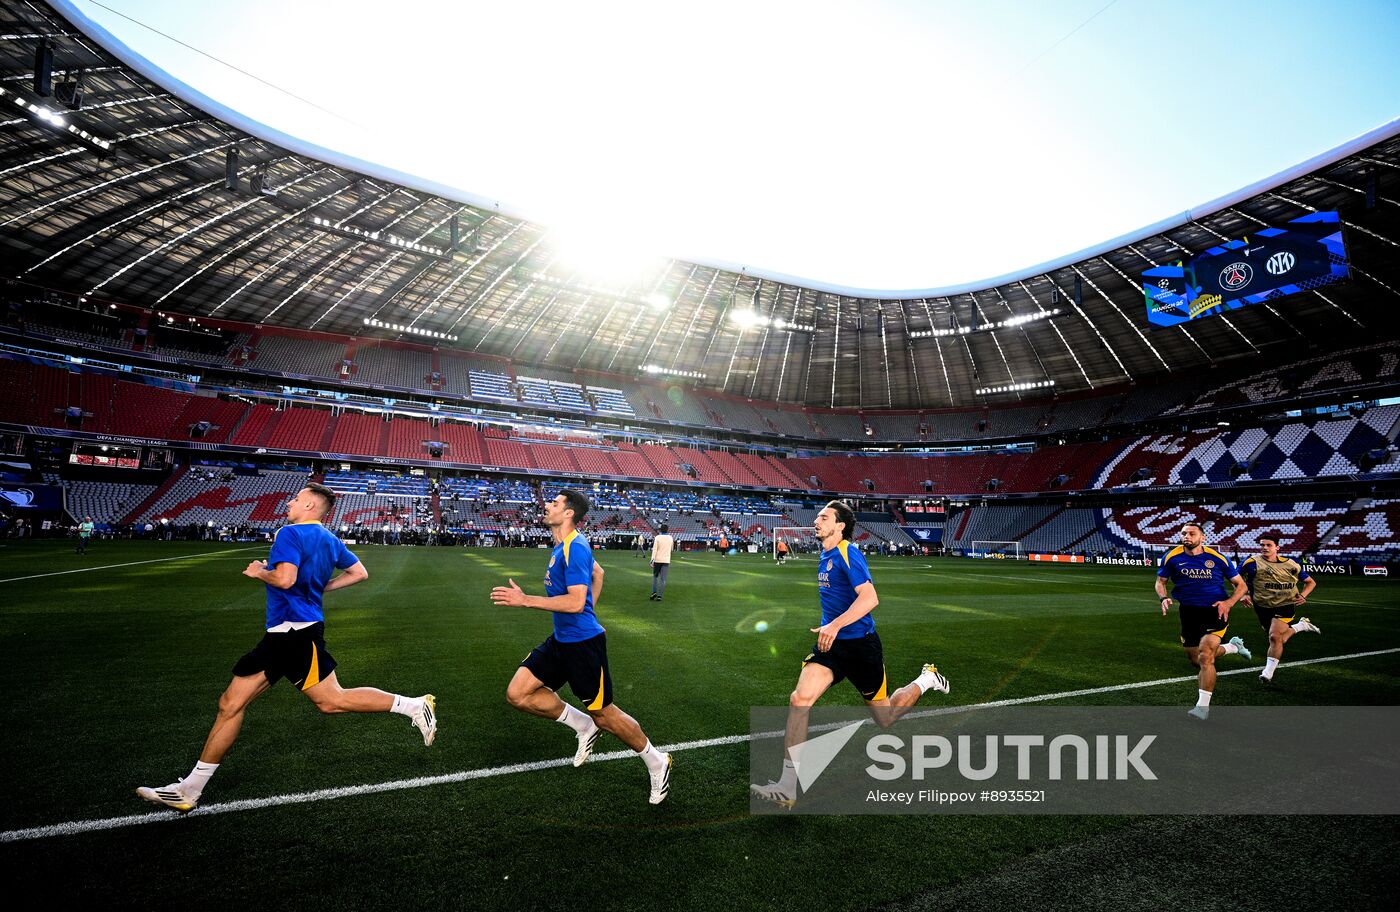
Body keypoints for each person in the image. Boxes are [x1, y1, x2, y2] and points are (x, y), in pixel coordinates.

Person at [136, 483, 437, 813]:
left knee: (332, 701)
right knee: (230, 703)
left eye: (295, 499)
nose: (289, 503)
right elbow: (359, 572)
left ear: (309, 505)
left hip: (294, 634)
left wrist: (260, 572)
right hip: (285, 634)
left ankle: (412, 705)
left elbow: (285, 580)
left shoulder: (289, 534)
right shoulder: (329, 539)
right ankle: (190, 790)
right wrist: (321, 589)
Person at [751, 500, 951, 808]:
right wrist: (831, 629)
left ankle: (926, 679)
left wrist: (835, 624)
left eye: (824, 517)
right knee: (799, 699)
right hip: (831, 647)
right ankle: (788, 786)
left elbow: (870, 598)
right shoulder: (826, 554)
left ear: (840, 525)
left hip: (862, 648)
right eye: (817, 516)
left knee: (885, 717)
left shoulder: (848, 552)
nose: (816, 521)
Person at [493, 489, 672, 805]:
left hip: (583, 647)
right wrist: (588, 611)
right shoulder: (562, 545)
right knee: (518, 693)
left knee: (605, 714)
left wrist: (526, 601)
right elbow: (598, 573)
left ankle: (657, 761)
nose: (548, 505)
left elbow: (576, 602)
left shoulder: (574, 547)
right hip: (562, 641)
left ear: (568, 513)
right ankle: (582, 725)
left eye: (555, 503)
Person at [1155, 522, 1252, 720]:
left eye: (1191, 533)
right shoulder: (1171, 557)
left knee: (1206, 656)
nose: (1186, 536)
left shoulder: (1217, 557)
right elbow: (1160, 581)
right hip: (1188, 612)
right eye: (1183, 533)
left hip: (1215, 611)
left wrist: (1229, 603)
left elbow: (1241, 585)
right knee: (1195, 659)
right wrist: (1163, 597)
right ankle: (1232, 647)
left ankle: (1202, 708)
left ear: (1203, 537)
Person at [1240, 535, 1321, 684]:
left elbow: (1310, 582)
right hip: (1262, 606)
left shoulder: (1291, 565)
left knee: (1274, 637)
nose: (1264, 547)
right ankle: (1301, 626)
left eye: (1268, 545)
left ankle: (1268, 673)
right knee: (1278, 640)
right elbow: (1236, 577)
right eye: (1262, 545)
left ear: (1277, 548)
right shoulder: (1251, 562)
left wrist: (1303, 595)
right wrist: (1242, 594)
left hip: (1285, 605)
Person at [650, 523, 675, 601]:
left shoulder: (657, 537)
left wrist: (652, 560)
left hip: (657, 560)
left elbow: (654, 549)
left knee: (655, 576)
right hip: (666, 560)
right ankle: (660, 596)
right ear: (667, 530)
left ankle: (654, 592)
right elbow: (671, 549)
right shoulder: (670, 538)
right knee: (663, 579)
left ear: (660, 530)